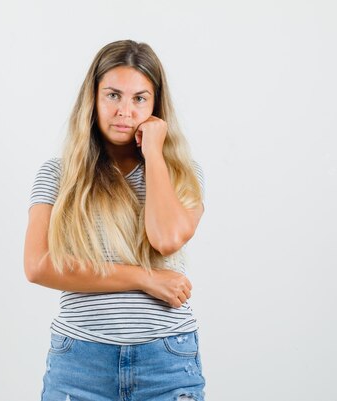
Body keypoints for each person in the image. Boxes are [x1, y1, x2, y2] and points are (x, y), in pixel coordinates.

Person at [23, 39, 207, 401]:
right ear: (92, 98)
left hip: (167, 363)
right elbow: (38, 266)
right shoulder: (58, 174)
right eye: (113, 95)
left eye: (140, 98)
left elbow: (166, 238)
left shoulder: (183, 174)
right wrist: (145, 278)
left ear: (156, 106)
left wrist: (153, 150)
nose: (125, 110)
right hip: (80, 363)